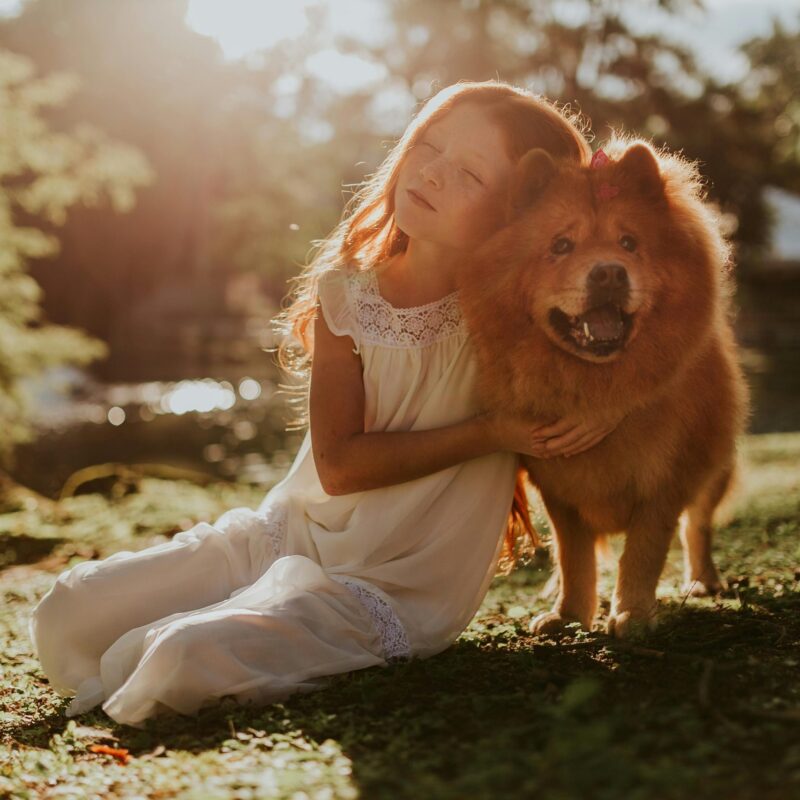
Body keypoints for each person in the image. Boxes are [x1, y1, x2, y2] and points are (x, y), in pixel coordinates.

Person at [27, 79, 621, 729]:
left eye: (471, 173)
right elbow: (338, 468)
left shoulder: (522, 316)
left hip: (394, 583)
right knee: (68, 613)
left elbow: (634, 360)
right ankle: (205, 615)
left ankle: (204, 636)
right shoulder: (347, 293)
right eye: (429, 146)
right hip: (291, 534)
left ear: (520, 211)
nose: (433, 173)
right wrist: (492, 433)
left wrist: (604, 409)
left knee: (180, 657)